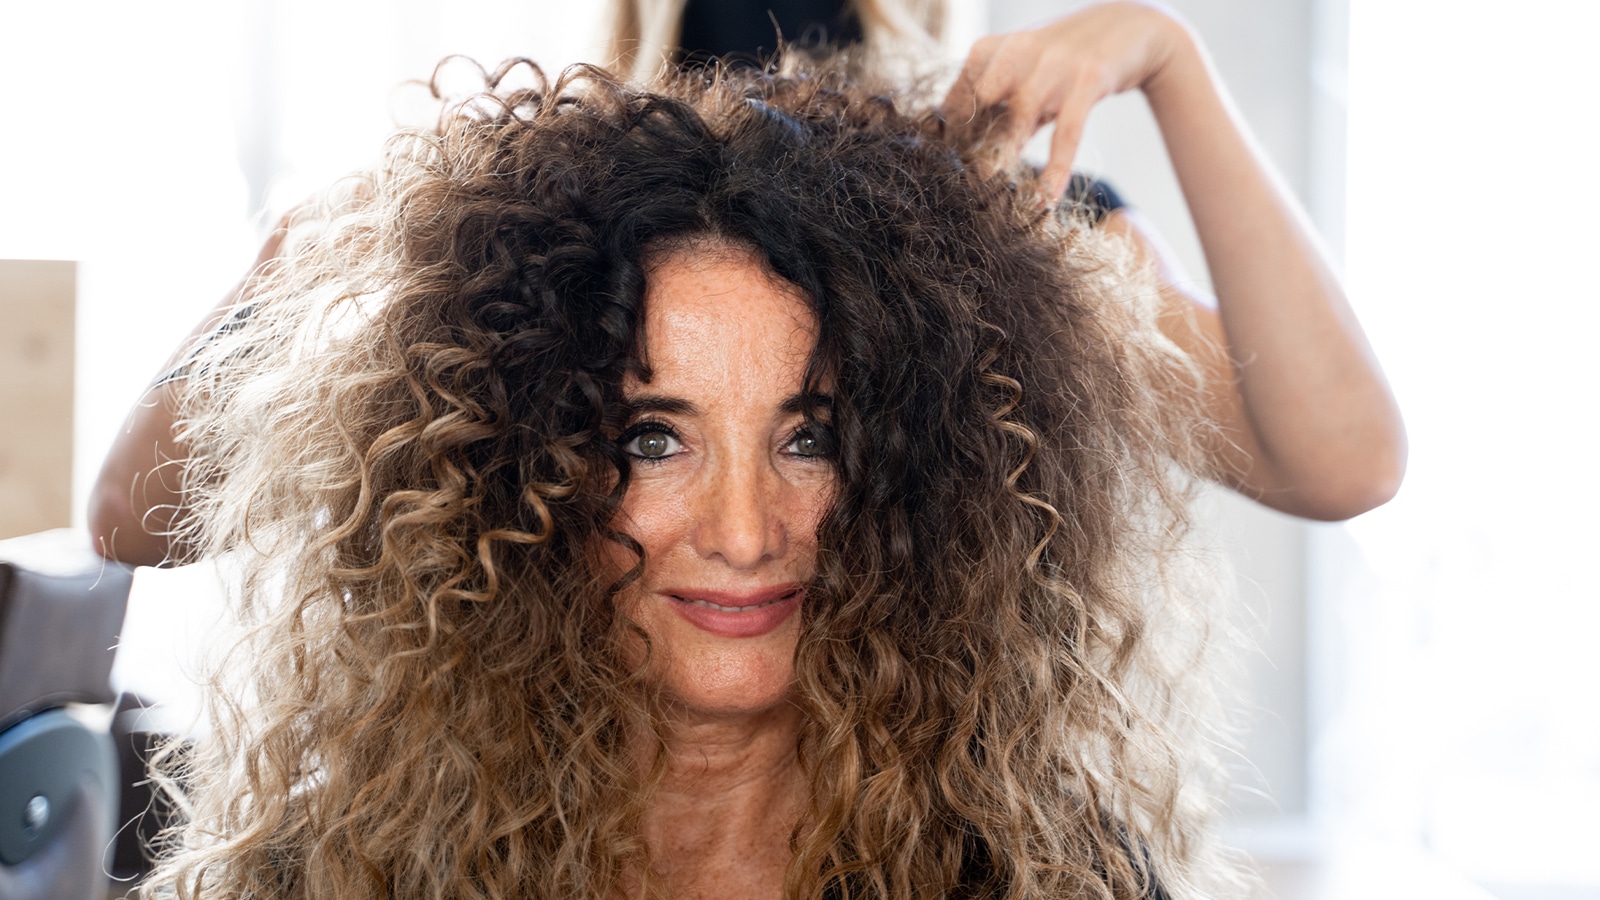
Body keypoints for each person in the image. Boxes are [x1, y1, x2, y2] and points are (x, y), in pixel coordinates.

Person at [87, 3, 1403, 567]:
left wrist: (1169, 61)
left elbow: (1343, 460)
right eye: (654, 433)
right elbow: (136, 516)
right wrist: (314, 247)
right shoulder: (516, 245)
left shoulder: (1015, 231)